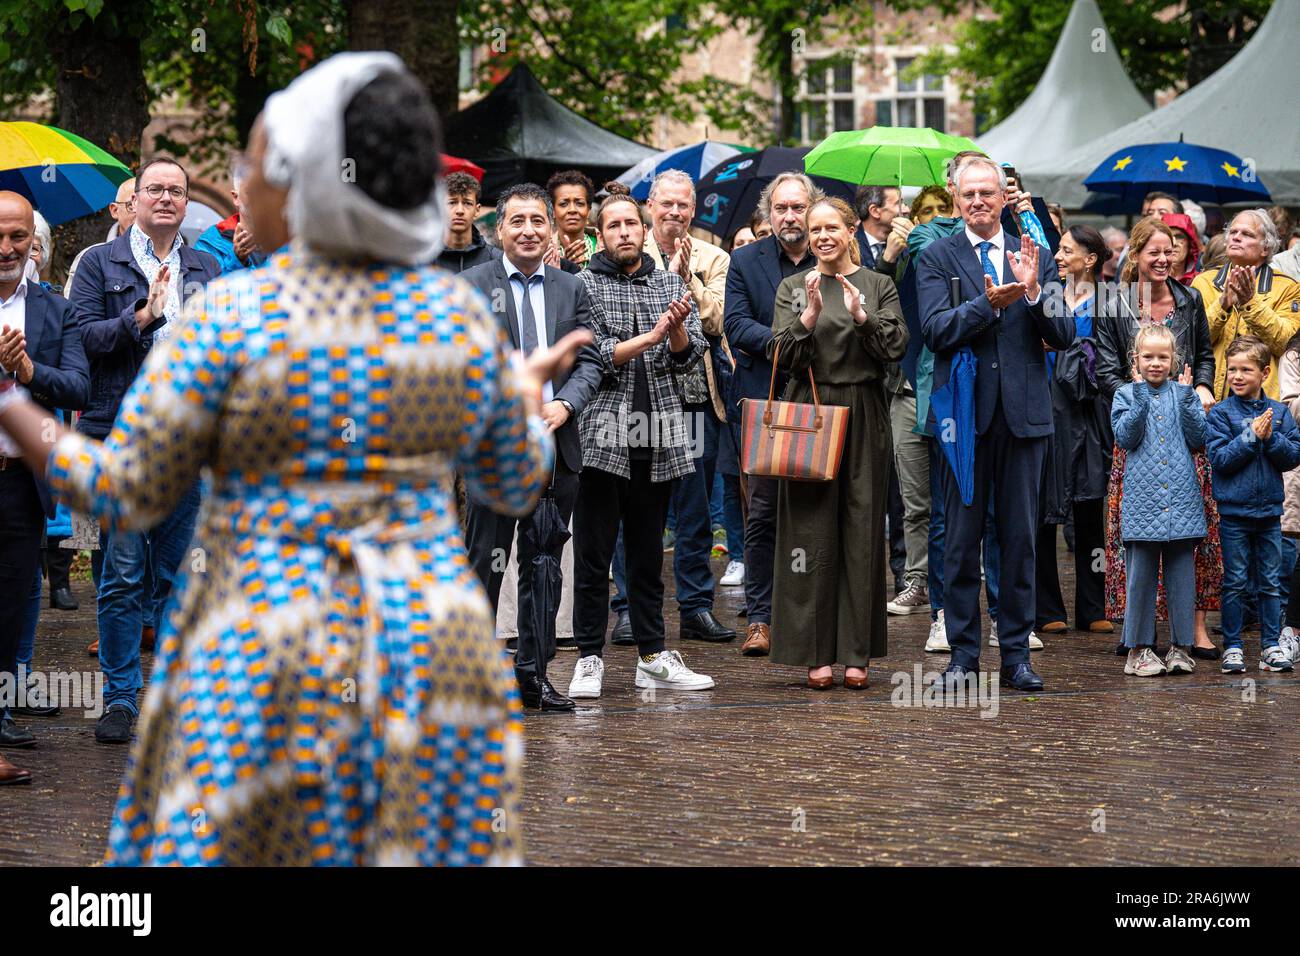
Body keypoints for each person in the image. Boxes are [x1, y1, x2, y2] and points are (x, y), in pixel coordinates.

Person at [0, 51, 592, 865]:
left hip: (266, 653)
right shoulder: (453, 318)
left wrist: (14, 410)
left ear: (311, 181)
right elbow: (516, 481)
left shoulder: (236, 314)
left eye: (261, 164)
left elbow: (126, 488)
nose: (247, 182)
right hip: (434, 660)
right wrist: (524, 405)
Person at [69, 157, 221, 743]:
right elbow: (83, 339)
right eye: (154, 189)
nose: (165, 198)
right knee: (124, 572)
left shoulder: (206, 266)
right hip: (122, 439)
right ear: (133, 201)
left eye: (175, 191)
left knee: (179, 573)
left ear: (186, 203)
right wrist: (144, 316)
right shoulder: (98, 264)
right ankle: (121, 699)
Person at [917, 156, 1073, 691]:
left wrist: (1031, 292)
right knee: (960, 543)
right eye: (970, 194)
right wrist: (987, 303)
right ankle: (962, 658)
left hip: (1025, 418)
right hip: (963, 420)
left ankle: (1016, 657)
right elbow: (936, 331)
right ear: (955, 199)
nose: (979, 201)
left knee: (1020, 541)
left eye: (988, 193)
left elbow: (1066, 332)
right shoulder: (936, 255)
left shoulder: (1038, 256)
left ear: (1004, 198)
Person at [566, 184, 714, 700]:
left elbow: (689, 355)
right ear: (600, 235)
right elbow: (593, 354)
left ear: (643, 228)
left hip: (660, 436)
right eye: (614, 226)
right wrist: (650, 338)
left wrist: (673, 330)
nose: (625, 233)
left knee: (649, 556)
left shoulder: (667, 281)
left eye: (631, 224)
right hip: (601, 437)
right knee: (594, 555)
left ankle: (652, 655)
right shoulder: (581, 285)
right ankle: (589, 657)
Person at [461, 183, 602, 711]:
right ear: (499, 230)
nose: (527, 230)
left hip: (556, 449)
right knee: (485, 563)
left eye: (536, 221)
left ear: (550, 230)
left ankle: (533, 674)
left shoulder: (571, 288)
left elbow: (591, 359)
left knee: (544, 566)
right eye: (516, 220)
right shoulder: (471, 285)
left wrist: (565, 405)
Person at [769, 197, 907, 688]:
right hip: (810, 411)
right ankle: (814, 651)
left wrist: (861, 316)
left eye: (832, 228)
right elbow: (779, 354)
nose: (822, 237)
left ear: (852, 230)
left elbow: (896, 348)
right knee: (810, 534)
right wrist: (807, 314)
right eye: (815, 229)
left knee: (862, 529)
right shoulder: (793, 286)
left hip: (864, 412)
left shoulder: (879, 284)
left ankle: (856, 652)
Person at [1096, 218, 1222, 657]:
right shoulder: (1114, 303)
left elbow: (1204, 355)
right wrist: (1139, 399)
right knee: (1138, 539)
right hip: (1137, 431)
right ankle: (1137, 631)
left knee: (1188, 536)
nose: (1163, 259)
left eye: (1170, 251)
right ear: (1135, 254)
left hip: (1185, 428)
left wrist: (1200, 388)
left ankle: (1191, 631)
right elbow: (1105, 369)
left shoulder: (1189, 300)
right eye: (1154, 251)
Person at [0, 191, 89, 767]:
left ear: (33, 242)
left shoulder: (55, 310)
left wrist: (28, 370)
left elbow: (79, 387)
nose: (6, 248)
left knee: (9, 605)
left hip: (16, 485)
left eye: (17, 237)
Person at [723, 172, 819, 657]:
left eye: (798, 208)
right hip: (763, 403)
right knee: (761, 513)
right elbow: (735, 324)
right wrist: (790, 340)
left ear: (812, 209)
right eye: (780, 208)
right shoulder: (745, 260)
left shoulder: (830, 255)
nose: (789, 217)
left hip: (821, 402)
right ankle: (760, 618)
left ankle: (809, 618)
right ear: (768, 213)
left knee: (814, 514)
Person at [640, 169, 735, 643]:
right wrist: (660, 278)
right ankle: (629, 608)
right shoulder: (630, 254)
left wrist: (688, 283)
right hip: (640, 401)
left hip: (696, 400)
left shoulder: (714, 257)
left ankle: (696, 607)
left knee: (695, 510)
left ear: (693, 211)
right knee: (638, 510)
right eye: (667, 204)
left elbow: (718, 322)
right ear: (650, 206)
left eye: (683, 205)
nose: (675, 213)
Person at [1111, 324, 1205, 677]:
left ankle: (1181, 647)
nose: (1155, 363)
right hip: (1142, 504)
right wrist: (1137, 397)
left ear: (1174, 360)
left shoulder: (1184, 394)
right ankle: (1138, 649)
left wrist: (1186, 398)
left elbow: (1199, 438)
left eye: (1162, 357)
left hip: (1181, 501)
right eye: (1148, 357)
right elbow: (1126, 438)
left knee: (1182, 577)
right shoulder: (1124, 394)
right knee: (1141, 580)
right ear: (1135, 359)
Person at [1207, 335, 1300, 674]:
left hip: (1270, 514)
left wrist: (1271, 437)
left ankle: (1271, 645)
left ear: (1264, 372)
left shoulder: (1278, 413)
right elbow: (1219, 459)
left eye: (1246, 369)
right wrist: (1250, 438)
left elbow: (1293, 455)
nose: (1237, 376)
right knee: (1234, 581)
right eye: (1232, 369)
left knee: (1271, 581)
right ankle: (1232, 646)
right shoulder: (1220, 413)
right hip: (1233, 514)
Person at [1040, 225, 1113, 634]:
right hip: (1047, 406)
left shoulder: (1110, 301)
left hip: (1088, 409)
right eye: (1059, 249)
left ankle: (1093, 604)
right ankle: (1047, 606)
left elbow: (1114, 352)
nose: (1059, 256)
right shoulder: (1047, 298)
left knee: (1089, 503)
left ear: (1090, 259)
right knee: (1044, 506)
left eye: (1067, 250)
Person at [1194, 209, 1300, 404]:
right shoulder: (1203, 282)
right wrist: (1222, 305)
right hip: (1211, 400)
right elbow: (1193, 342)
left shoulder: (1289, 287)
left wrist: (1250, 302)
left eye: (1247, 234)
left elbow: (1285, 343)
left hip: (1263, 404)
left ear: (1266, 248)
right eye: (1233, 232)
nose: (1236, 237)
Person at [64, 178, 135, 297]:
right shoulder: (91, 259)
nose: (141, 212)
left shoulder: (171, 254)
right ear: (114, 210)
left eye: (146, 205)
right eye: (131, 206)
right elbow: (75, 312)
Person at [193, 161, 266, 274]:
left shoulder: (286, 238)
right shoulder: (209, 244)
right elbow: (205, 288)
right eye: (249, 191)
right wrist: (237, 260)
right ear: (236, 198)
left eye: (264, 191)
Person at [434, 171, 497, 273]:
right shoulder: (425, 258)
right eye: (452, 202)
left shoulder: (495, 259)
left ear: (477, 210)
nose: (460, 210)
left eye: (467, 203)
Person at [547, 170, 598, 268]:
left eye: (579, 203)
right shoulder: (542, 251)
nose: (572, 210)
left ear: (588, 211)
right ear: (553, 211)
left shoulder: (606, 246)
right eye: (563, 204)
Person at [1161, 212, 1202, 285]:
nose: (1174, 243)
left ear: (1190, 245)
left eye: (1179, 237)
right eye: (1168, 236)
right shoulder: (1145, 278)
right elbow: (1138, 296)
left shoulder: (1200, 281)